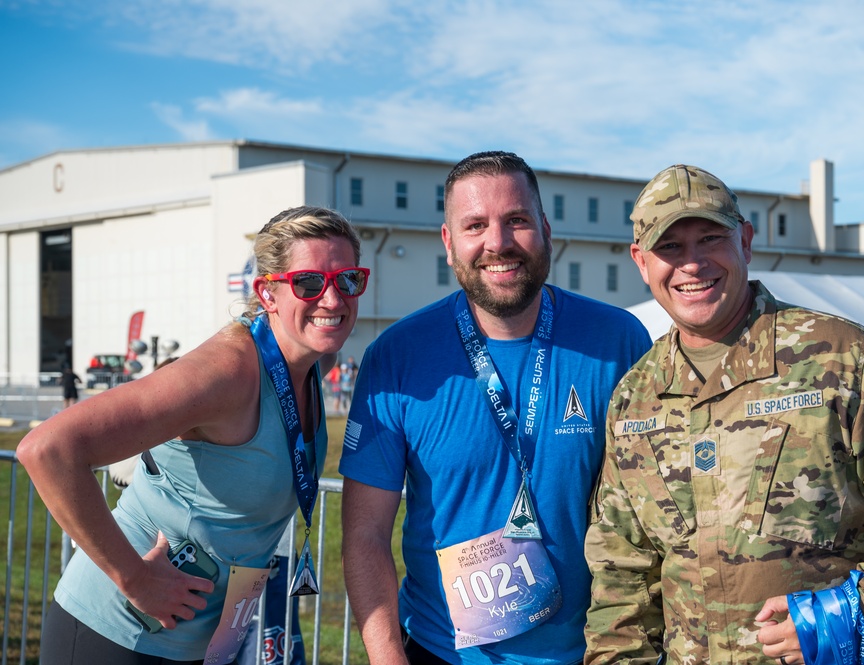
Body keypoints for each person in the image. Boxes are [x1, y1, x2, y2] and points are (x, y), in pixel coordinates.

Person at [584, 164, 864, 665]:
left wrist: (851, 612)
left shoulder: (841, 357)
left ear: (745, 243)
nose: (692, 264)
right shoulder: (634, 398)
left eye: (710, 238)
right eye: (670, 248)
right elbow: (622, 573)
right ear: (642, 263)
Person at [339, 150, 652, 665]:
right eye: (475, 225)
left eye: (517, 221)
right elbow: (366, 535)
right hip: (444, 653)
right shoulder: (397, 356)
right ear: (448, 243)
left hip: (596, 651)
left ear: (546, 229)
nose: (498, 243)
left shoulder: (618, 340)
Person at [17, 206, 367, 664]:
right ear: (268, 293)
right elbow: (47, 449)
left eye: (348, 280)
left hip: (194, 642)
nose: (333, 299)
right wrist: (134, 578)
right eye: (308, 282)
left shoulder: (311, 365)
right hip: (115, 634)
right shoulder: (224, 371)